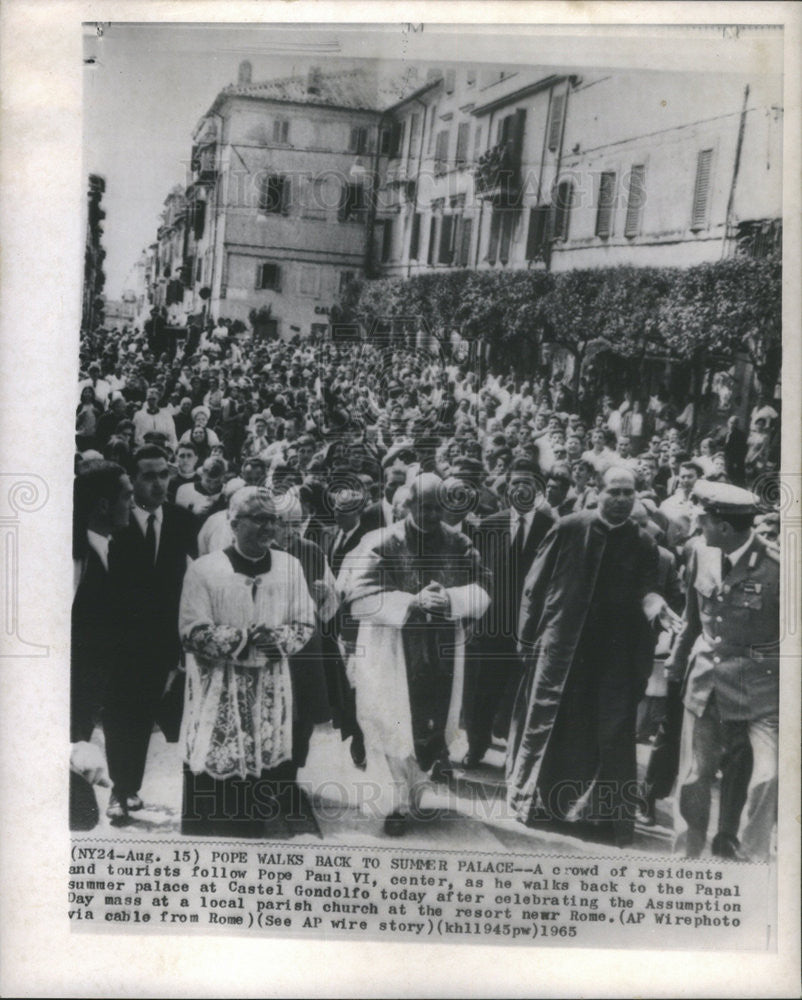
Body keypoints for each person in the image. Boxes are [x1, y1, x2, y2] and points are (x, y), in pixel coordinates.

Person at [507, 466, 680, 847]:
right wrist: (525, 636)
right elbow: (535, 585)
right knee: (550, 721)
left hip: (611, 653)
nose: (621, 499)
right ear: (596, 493)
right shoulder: (569, 526)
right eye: (614, 492)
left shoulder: (644, 542)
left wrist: (656, 605)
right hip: (562, 647)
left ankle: (596, 815)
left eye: (628, 493)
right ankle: (535, 803)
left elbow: (648, 588)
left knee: (607, 729)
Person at [340, 473, 491, 834]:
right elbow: (359, 598)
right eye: (424, 506)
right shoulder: (381, 542)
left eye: (437, 507)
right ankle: (393, 805)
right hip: (390, 648)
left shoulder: (458, 542)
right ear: (407, 504)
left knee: (429, 723)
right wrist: (411, 601)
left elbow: (484, 586)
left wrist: (451, 599)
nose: (431, 514)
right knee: (389, 719)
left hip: (440, 646)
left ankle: (416, 793)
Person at [178, 487, 317, 837]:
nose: (269, 527)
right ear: (234, 522)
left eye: (273, 519)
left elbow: (305, 623)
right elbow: (191, 630)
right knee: (217, 789)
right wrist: (242, 640)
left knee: (263, 786)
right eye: (259, 519)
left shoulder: (290, 567)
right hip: (219, 692)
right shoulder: (205, 570)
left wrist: (277, 640)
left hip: (269, 692)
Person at [669, 481, 779, 861]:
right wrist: (676, 664)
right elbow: (691, 620)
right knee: (695, 774)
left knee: (769, 776)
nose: (699, 527)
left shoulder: (779, 568)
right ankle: (686, 856)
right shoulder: (700, 552)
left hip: (763, 690)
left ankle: (751, 859)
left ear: (726, 527)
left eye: (705, 521)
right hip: (706, 680)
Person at [103, 445, 197, 821]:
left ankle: (131, 787)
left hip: (163, 641)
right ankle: (118, 788)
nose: (158, 483)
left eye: (163, 475)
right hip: (120, 640)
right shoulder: (114, 521)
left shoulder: (181, 520)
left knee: (143, 716)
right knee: (118, 715)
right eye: (148, 475)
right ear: (132, 479)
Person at [462, 458, 554, 769]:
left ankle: (517, 759)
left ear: (538, 489)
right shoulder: (490, 526)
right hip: (492, 625)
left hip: (530, 626)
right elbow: (476, 576)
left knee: (523, 694)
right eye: (515, 482)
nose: (520, 488)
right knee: (483, 690)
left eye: (528, 483)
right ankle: (477, 746)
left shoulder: (552, 530)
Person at [71, 461, 133, 829]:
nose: (133, 503)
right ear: (103, 505)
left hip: (88, 694)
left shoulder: (111, 548)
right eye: (126, 495)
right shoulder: (75, 556)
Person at [133, 386, 178, 450]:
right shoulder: (139, 415)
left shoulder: (166, 415)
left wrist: (171, 448)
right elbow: (136, 437)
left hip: (163, 447)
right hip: (145, 448)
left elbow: (172, 436)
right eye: (149, 399)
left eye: (154, 399)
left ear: (158, 399)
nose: (151, 402)